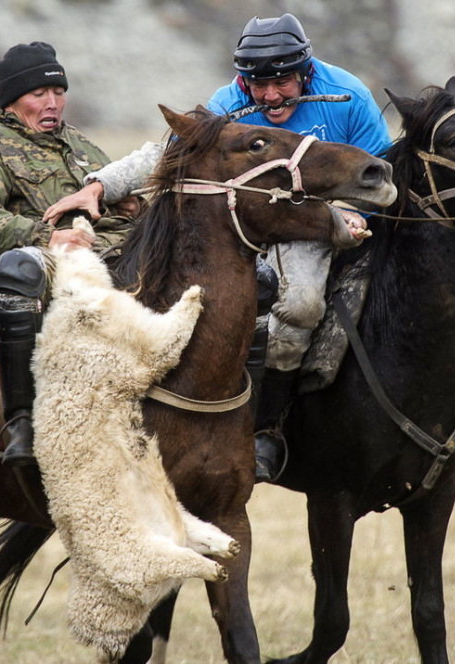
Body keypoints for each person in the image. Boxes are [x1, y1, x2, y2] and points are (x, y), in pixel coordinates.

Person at [43, 13, 390, 483]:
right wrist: (99, 187)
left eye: (281, 82)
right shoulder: (229, 102)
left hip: (317, 224)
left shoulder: (348, 96)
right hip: (252, 226)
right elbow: (167, 151)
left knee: (303, 302)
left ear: (306, 72)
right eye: (256, 84)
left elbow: (379, 173)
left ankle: (268, 427)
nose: (268, 96)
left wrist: (352, 215)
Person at [0, 41, 143, 466]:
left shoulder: (79, 143)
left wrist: (135, 205)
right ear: (11, 101)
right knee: (17, 270)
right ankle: (21, 419)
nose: (53, 103)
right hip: (59, 265)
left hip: (127, 249)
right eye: (38, 94)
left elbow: (119, 193)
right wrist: (49, 239)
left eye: (58, 92)